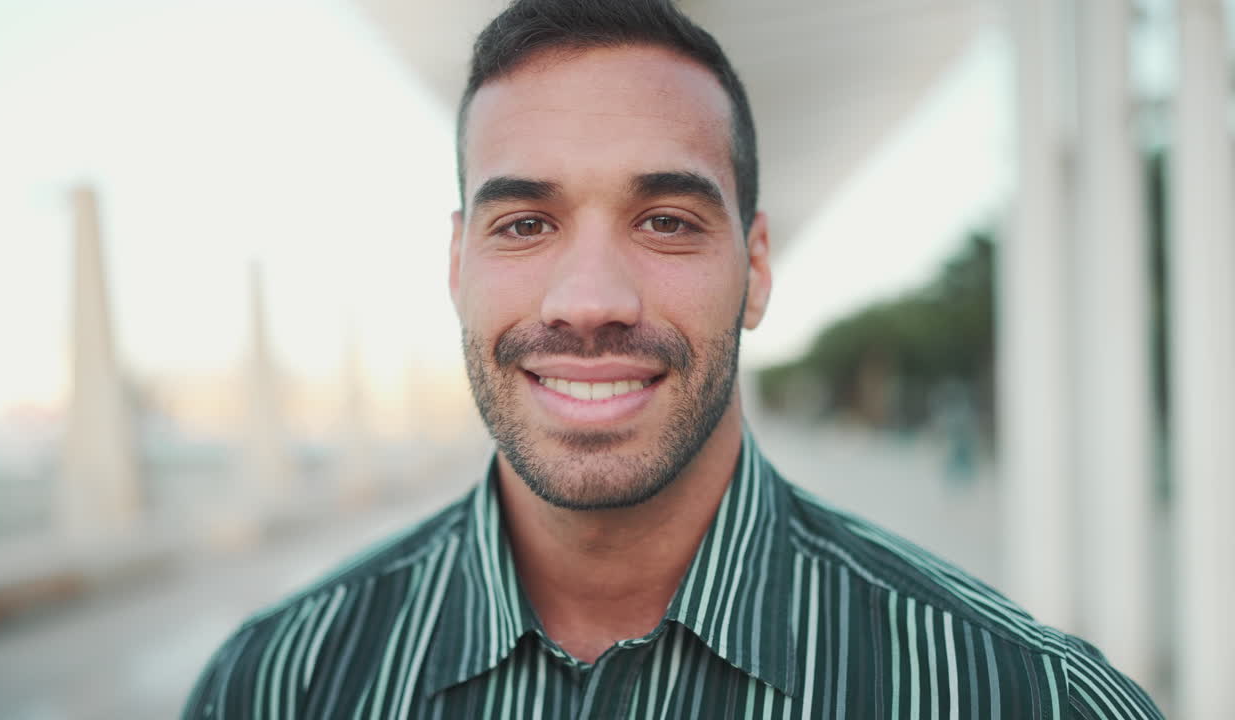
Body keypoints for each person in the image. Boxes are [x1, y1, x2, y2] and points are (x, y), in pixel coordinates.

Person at [182, 1, 1162, 717]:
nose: (589, 302)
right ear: (456, 265)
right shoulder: (276, 686)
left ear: (757, 270)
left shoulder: (1025, 697)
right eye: (524, 223)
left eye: (665, 221)